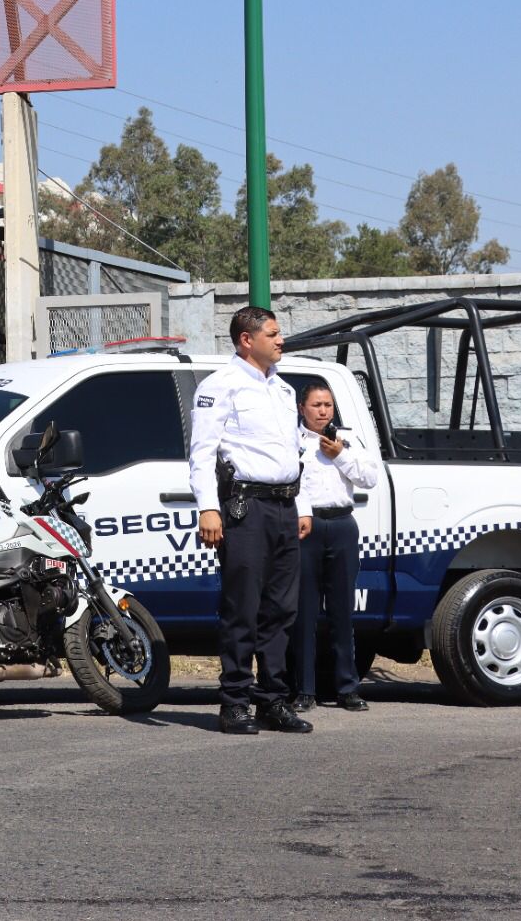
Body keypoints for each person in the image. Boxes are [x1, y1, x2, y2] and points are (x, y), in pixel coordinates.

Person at [189, 306, 314, 735]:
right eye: (273, 334)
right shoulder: (220, 385)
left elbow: (294, 453)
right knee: (242, 607)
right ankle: (235, 702)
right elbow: (202, 453)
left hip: (283, 507)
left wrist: (303, 506)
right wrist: (208, 507)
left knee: (281, 610)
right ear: (247, 340)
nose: (281, 341)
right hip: (245, 508)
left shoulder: (283, 389)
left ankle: (272, 700)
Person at [288, 383, 380, 713]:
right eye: (316, 405)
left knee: (342, 611)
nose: (323, 411)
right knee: (304, 612)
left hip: (341, 525)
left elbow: (370, 478)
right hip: (307, 527)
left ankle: (348, 687)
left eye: (327, 404)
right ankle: (304, 689)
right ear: (302, 408)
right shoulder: (292, 441)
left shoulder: (347, 439)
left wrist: (339, 454)